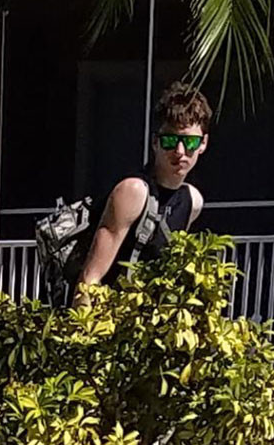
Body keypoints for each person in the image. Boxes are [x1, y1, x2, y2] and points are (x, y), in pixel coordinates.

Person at [67, 83, 211, 294]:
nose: (180, 151)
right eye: (170, 140)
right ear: (155, 142)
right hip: (108, 316)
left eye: (189, 142)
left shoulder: (192, 201)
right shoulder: (133, 191)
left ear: (203, 144)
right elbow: (90, 278)